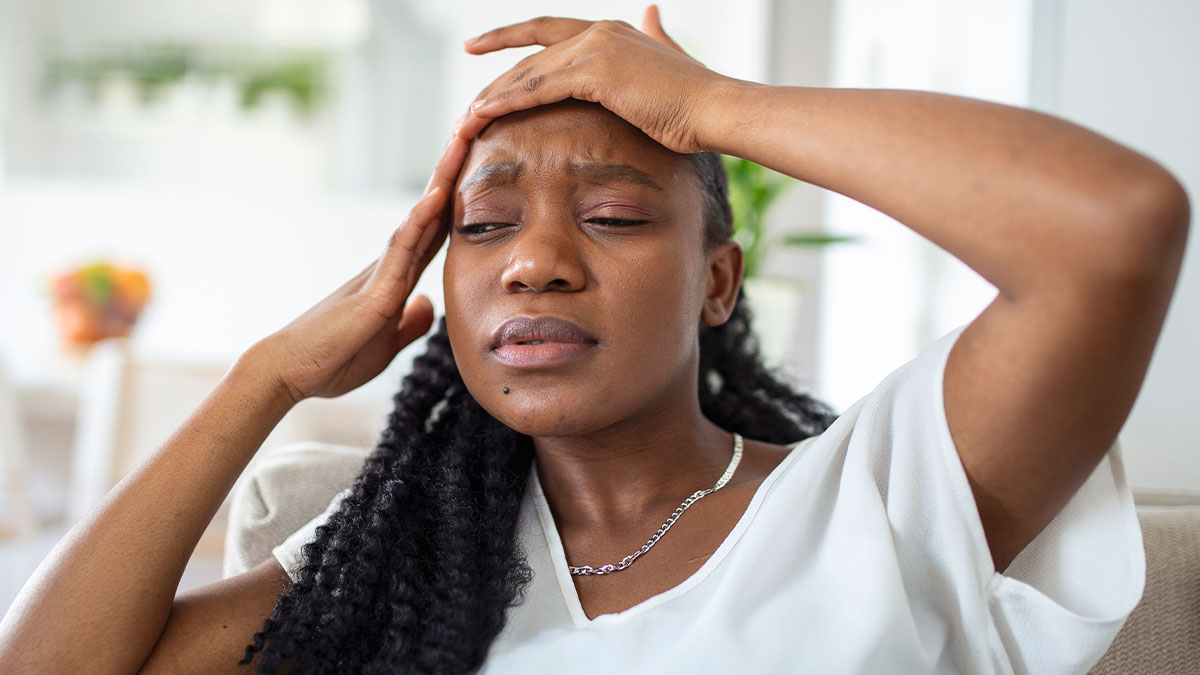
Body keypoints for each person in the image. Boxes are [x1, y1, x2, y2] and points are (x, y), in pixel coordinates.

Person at [0, 7, 1189, 674]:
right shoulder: (397, 557)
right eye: (482, 225)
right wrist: (269, 375)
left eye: (615, 214)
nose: (536, 260)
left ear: (718, 281)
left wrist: (712, 106)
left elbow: (1115, 232)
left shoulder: (885, 498)